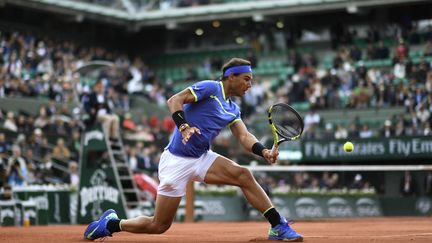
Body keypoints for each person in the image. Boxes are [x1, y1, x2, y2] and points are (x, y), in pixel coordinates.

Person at [83, 58, 303, 241]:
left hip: (202, 158)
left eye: (251, 80)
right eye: (246, 79)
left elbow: (244, 136)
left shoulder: (232, 108)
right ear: (231, 77)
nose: (249, 84)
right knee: (158, 225)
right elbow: (174, 100)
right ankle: (112, 224)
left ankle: (277, 226)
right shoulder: (211, 87)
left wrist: (263, 151)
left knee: (244, 175)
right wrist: (184, 126)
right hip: (176, 161)